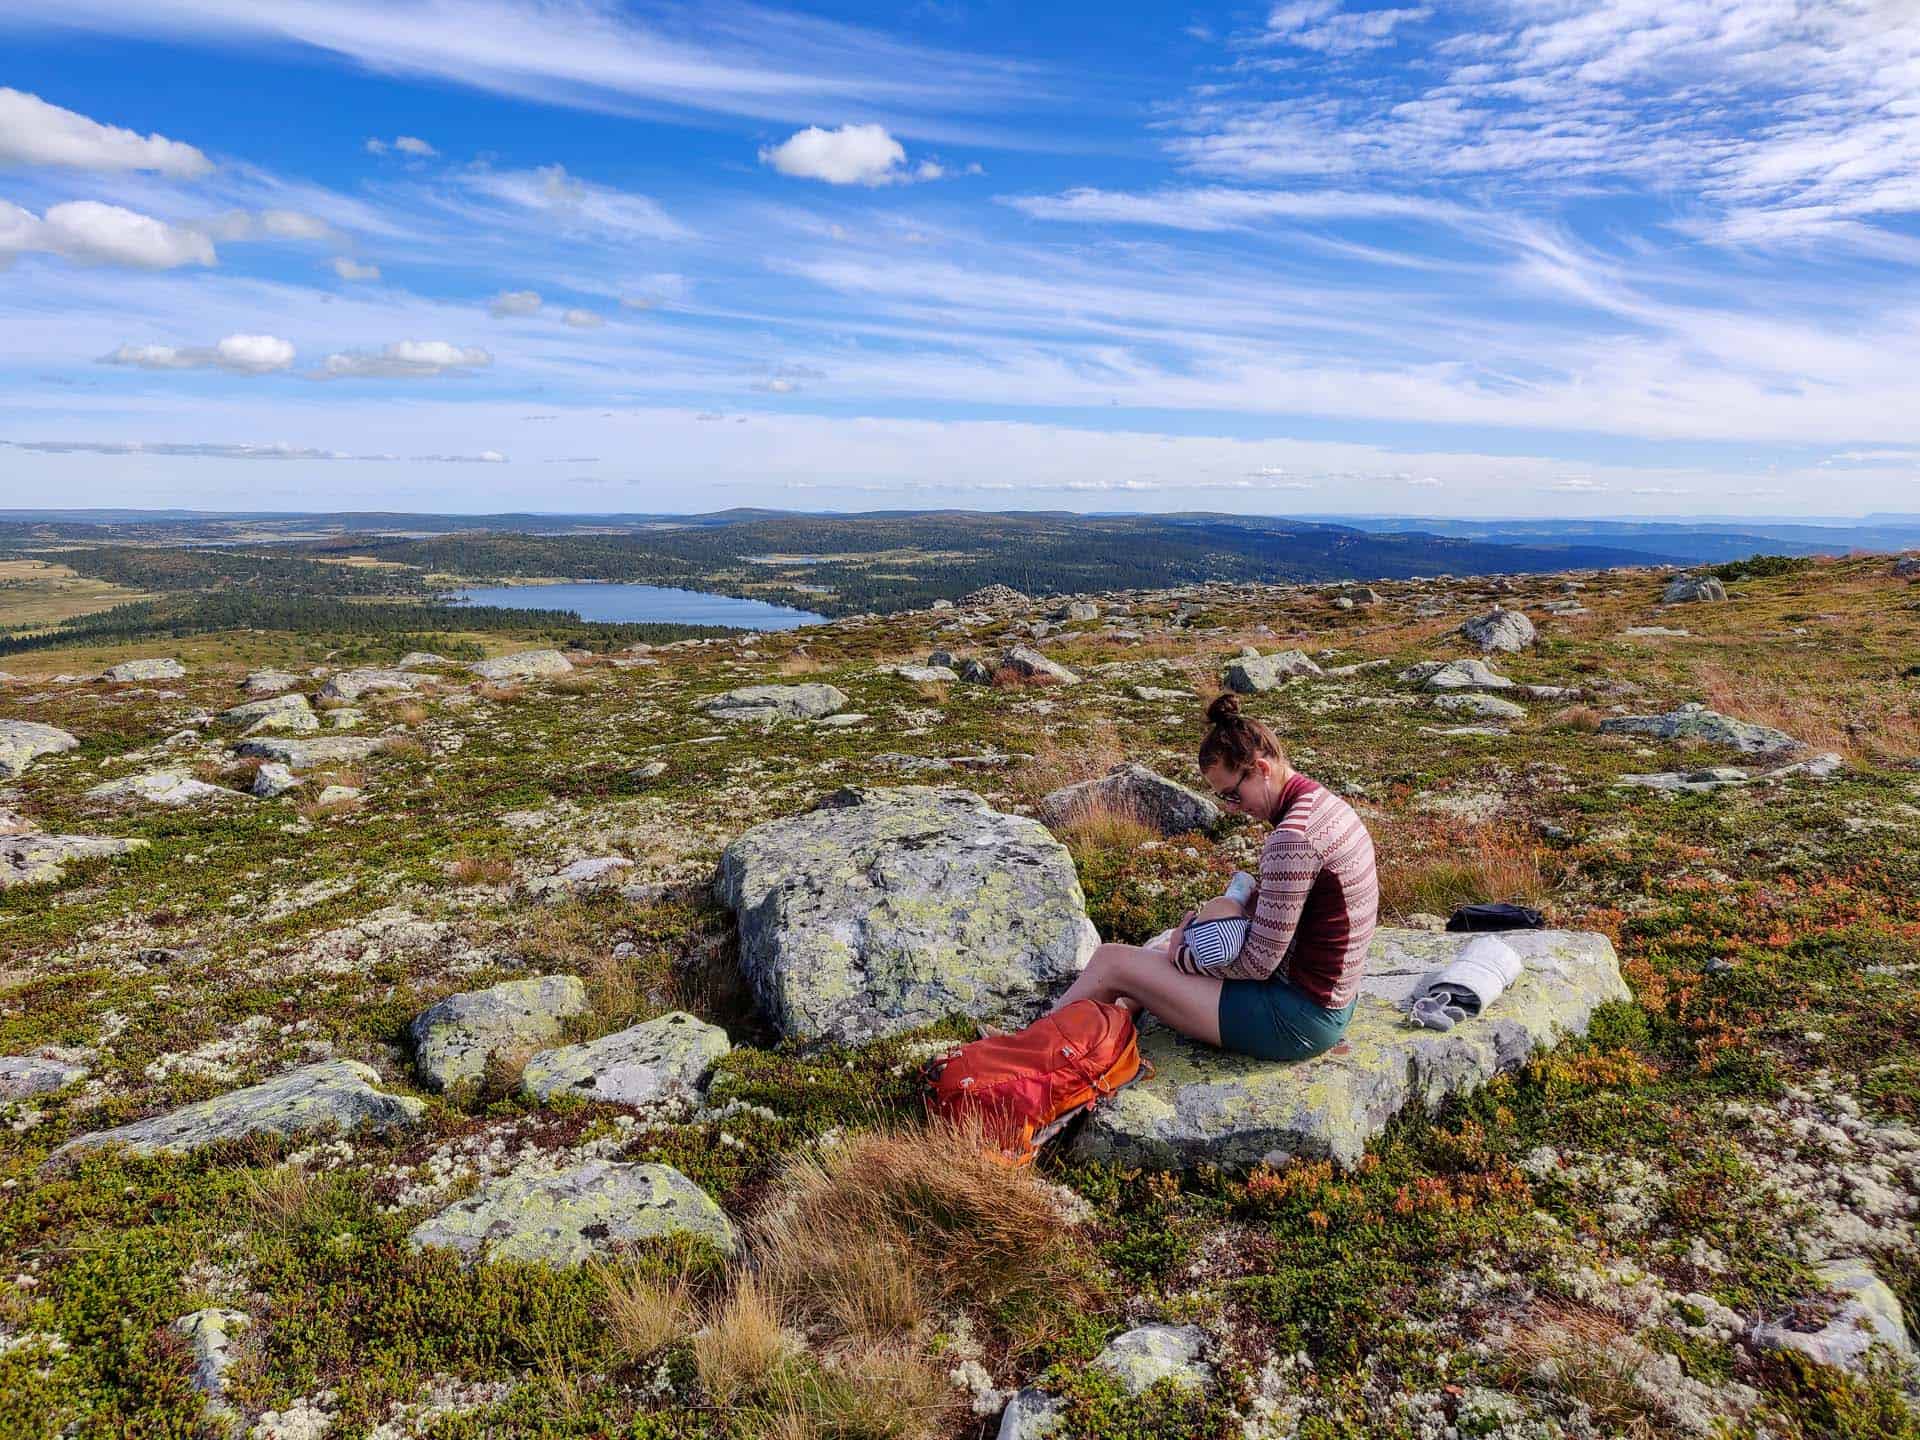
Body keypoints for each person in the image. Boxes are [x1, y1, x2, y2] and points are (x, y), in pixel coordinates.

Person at [1046, 693, 1378, 1060]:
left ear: (1262, 769)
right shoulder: (1324, 805)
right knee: (1154, 951)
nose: (1233, 809)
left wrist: (1182, 955)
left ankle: (1032, 1049)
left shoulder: (1293, 839)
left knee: (1112, 960)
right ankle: (1099, 1029)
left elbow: (1258, 963)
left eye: (1233, 795)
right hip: (1332, 1001)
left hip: (1297, 1019)